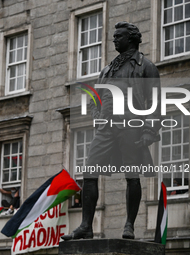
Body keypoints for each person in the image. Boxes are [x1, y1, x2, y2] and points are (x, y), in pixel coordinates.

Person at [62, 22, 161, 241]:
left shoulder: (146, 66)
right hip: (106, 128)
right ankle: (86, 226)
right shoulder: (107, 69)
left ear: (132, 39)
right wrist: (98, 118)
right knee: (89, 173)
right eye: (114, 36)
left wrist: (149, 131)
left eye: (119, 36)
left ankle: (129, 226)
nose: (114, 40)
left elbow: (156, 101)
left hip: (131, 126)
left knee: (132, 177)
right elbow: (95, 100)